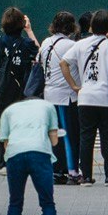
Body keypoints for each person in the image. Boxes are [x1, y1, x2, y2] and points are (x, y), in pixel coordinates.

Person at [0, 91, 65, 215]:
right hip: (39, 154)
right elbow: (54, 140)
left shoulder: (9, 110)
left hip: (15, 155)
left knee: (15, 203)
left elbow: (5, 143)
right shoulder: (47, 106)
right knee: (47, 203)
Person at [65, 9, 108, 186]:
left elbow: (64, 62)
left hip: (86, 98)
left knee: (86, 138)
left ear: (91, 26)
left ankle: (86, 176)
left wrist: (73, 85)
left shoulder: (80, 44)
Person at [0, 7, 38, 169]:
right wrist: (29, 31)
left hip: (2, 89)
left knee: (2, 126)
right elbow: (39, 53)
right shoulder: (26, 44)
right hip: (21, 90)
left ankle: (4, 162)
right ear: (22, 24)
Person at [38, 10, 81, 182]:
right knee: (69, 135)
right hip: (66, 95)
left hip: (49, 94)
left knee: (54, 134)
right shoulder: (70, 45)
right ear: (71, 26)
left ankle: (55, 170)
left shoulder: (46, 42)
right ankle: (71, 171)